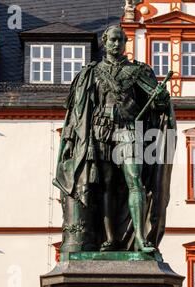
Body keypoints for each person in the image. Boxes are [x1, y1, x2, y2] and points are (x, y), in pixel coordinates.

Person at [54, 25, 175, 256]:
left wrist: (160, 98)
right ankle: (109, 238)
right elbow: (78, 112)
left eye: (120, 40)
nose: (116, 44)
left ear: (125, 42)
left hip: (128, 129)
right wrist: (70, 140)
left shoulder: (138, 71)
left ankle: (139, 237)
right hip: (99, 132)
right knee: (106, 185)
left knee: (134, 180)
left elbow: (158, 106)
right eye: (112, 40)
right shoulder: (92, 72)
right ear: (104, 41)